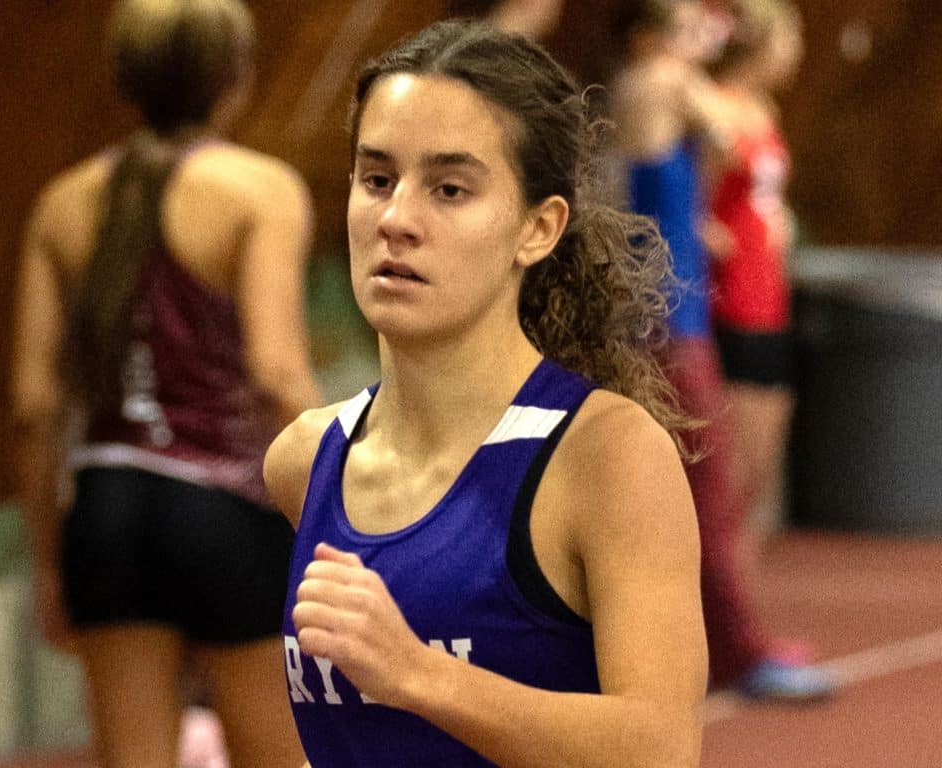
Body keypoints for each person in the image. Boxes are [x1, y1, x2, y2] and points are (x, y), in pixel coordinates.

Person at [264, 19, 707, 767]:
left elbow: (661, 749)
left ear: (538, 228)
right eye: (377, 179)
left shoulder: (606, 454)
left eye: (449, 189)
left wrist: (417, 673)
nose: (397, 218)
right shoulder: (304, 460)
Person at [9, 1, 320, 766]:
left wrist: (50, 561)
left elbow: (33, 408)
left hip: (105, 515)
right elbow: (280, 374)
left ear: (125, 79)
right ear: (235, 79)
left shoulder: (60, 203)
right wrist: (347, 524)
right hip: (225, 515)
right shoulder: (260, 190)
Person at [611, 0, 830, 700]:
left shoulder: (668, 85)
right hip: (666, 319)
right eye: (686, 25)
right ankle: (732, 651)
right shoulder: (657, 81)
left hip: (680, 311)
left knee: (696, 485)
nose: (705, 35)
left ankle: (705, 642)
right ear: (649, 35)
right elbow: (731, 135)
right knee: (703, 491)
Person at [705, 0, 804, 570]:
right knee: (735, 463)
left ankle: (739, 605)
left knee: (764, 460)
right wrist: (713, 235)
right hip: (734, 294)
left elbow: (767, 192)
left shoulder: (764, 109)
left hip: (770, 294)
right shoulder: (715, 107)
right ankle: (726, 604)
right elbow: (698, 201)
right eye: (789, 44)